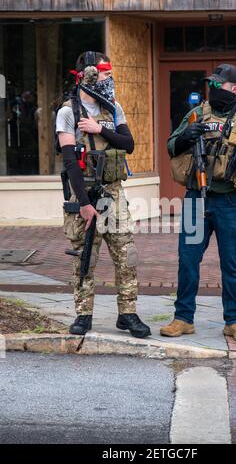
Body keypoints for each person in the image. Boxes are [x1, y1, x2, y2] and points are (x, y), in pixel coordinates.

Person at [160, 64, 236, 343]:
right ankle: (183, 319)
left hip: (231, 202)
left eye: (218, 84)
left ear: (235, 89)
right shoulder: (198, 113)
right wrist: (185, 136)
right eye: (212, 84)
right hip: (197, 198)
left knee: (231, 263)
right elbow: (171, 145)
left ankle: (234, 321)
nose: (213, 89)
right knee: (188, 261)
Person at [56, 51, 151, 338]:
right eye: (105, 73)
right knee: (85, 258)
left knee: (127, 255)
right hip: (84, 194)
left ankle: (128, 313)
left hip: (114, 193)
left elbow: (129, 144)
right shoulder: (68, 111)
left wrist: (99, 129)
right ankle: (83, 315)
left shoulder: (113, 108)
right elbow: (70, 161)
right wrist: (83, 204)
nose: (110, 78)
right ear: (88, 75)